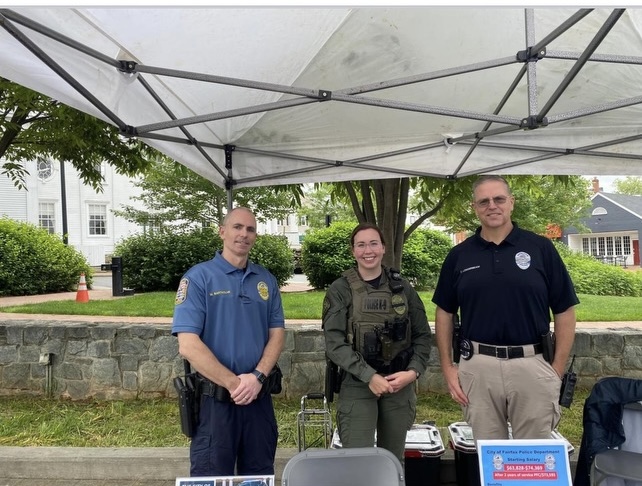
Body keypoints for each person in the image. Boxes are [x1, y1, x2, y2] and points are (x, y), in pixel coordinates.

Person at [432, 174, 579, 441]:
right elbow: (444, 312)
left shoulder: (541, 248)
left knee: (532, 460)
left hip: (533, 364)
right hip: (478, 367)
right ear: (474, 207)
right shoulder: (459, 255)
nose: (492, 206)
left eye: (499, 199)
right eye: (483, 201)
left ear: (511, 202)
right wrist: (448, 368)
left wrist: (556, 369)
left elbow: (565, 310)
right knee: (491, 459)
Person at [171, 207, 285, 477]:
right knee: (211, 477)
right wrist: (236, 385)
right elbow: (188, 344)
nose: (243, 234)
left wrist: (256, 378)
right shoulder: (198, 278)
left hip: (258, 399)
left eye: (250, 229)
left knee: (258, 477)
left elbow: (277, 334)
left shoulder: (266, 280)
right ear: (222, 231)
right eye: (237, 227)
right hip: (216, 403)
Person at [322, 222, 432, 462]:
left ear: (383, 248)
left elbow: (423, 336)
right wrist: (369, 376)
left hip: (398, 384)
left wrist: (413, 373)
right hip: (359, 383)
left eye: (373, 243)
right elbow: (334, 343)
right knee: (358, 462)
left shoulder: (403, 288)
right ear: (353, 251)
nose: (367, 250)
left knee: (392, 461)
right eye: (360, 245)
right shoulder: (340, 289)